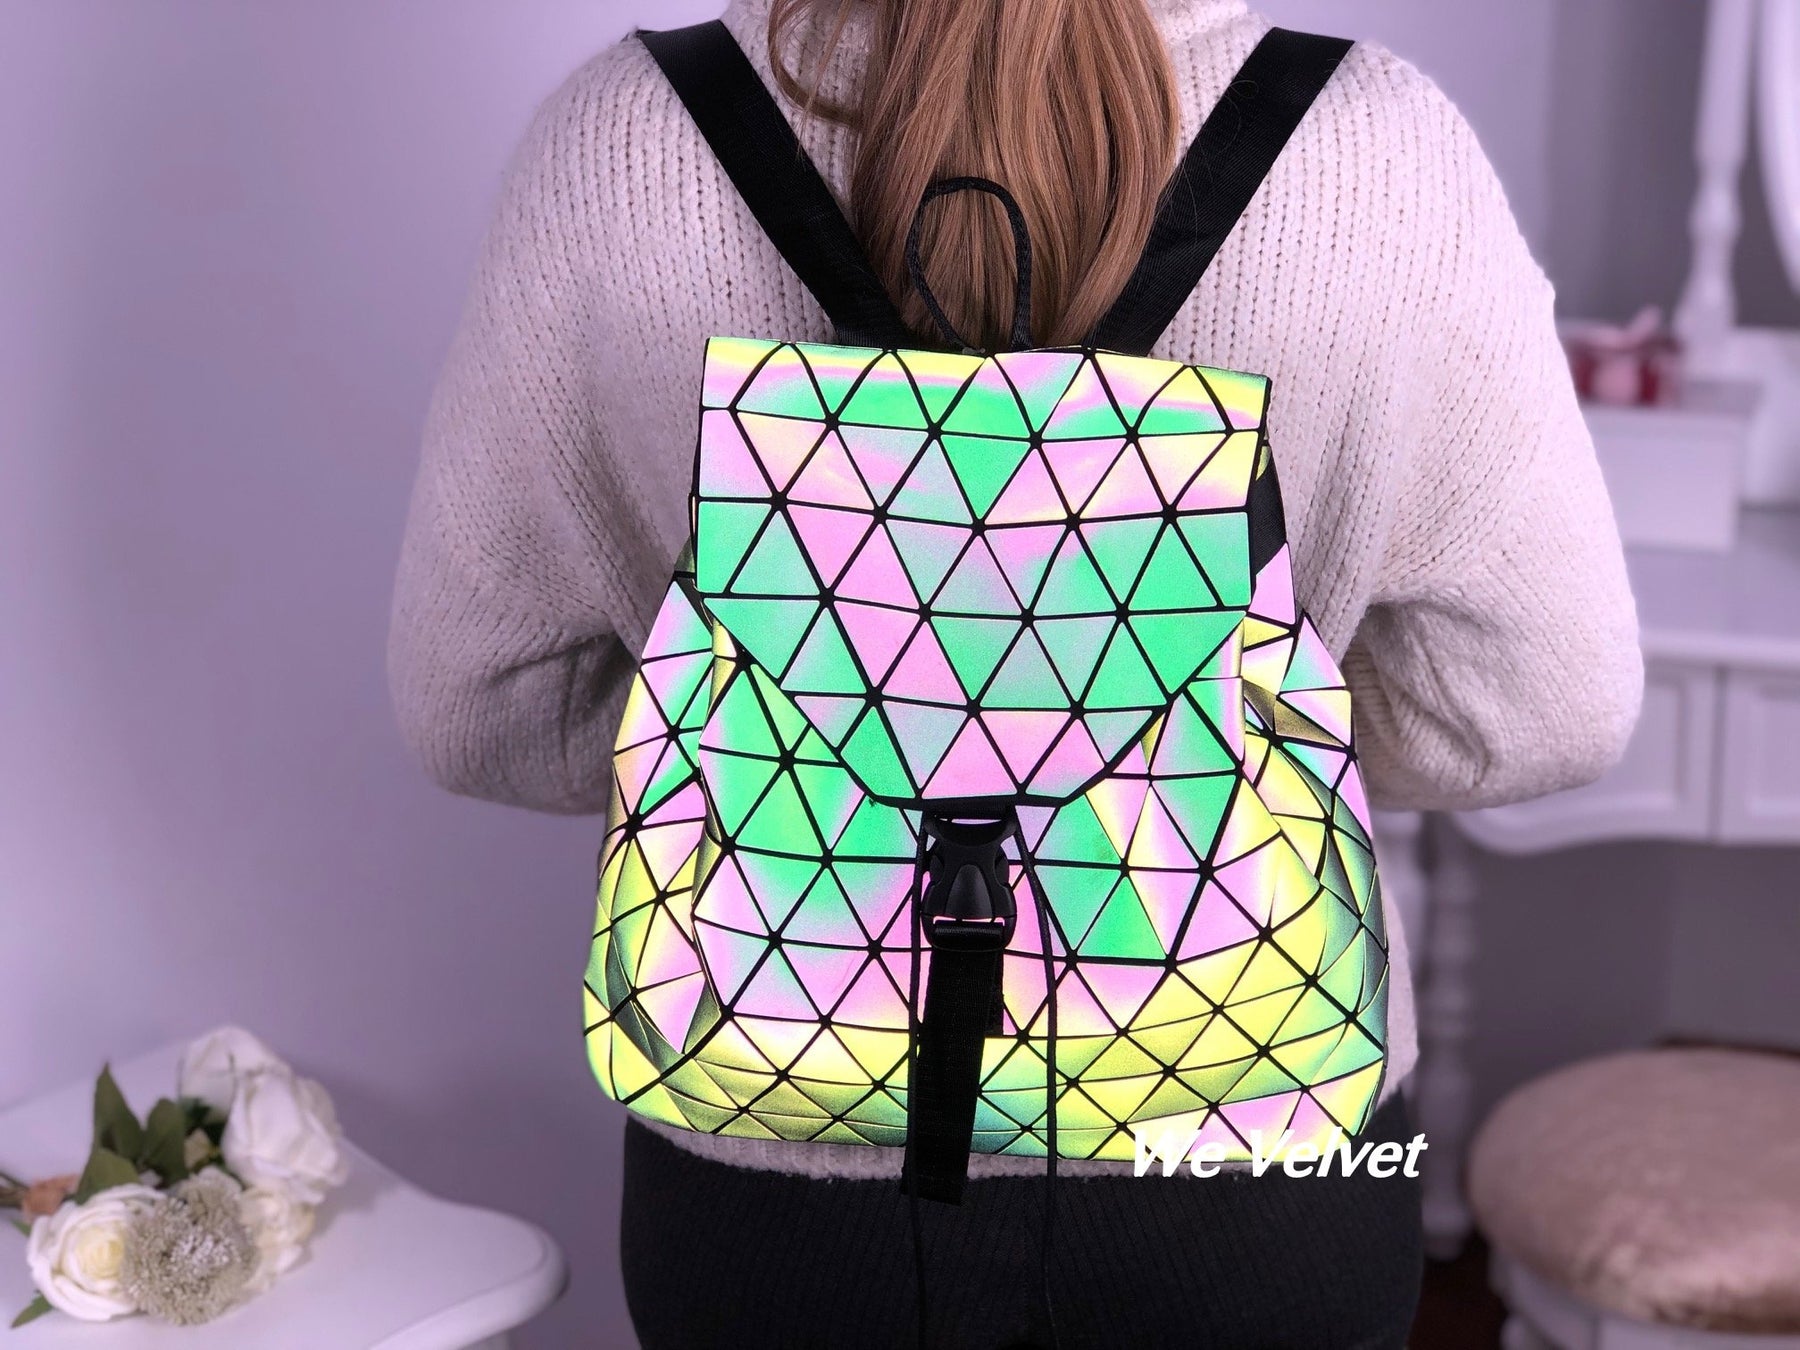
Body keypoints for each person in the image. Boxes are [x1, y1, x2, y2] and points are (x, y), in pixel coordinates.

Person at [388, 0, 1643, 1344]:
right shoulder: (1379, 152)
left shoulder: (624, 142)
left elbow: (482, 711)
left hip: (770, 1151)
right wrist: (1204, 733)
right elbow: (1540, 709)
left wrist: (794, 740)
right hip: (1256, 1133)